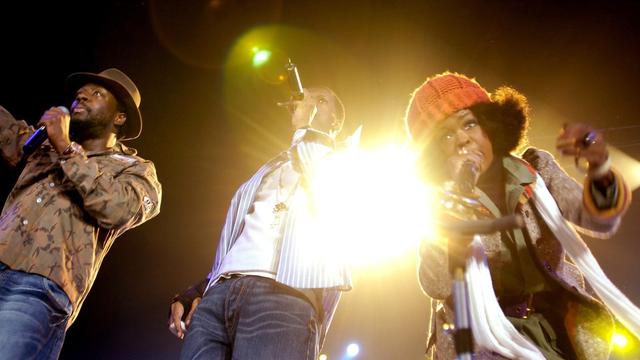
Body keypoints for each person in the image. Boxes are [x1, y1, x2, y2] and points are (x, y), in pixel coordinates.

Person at [405, 72, 634, 359]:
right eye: (446, 135)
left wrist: (599, 170)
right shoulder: (439, 204)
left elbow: (599, 219)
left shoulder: (537, 171)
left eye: (470, 124)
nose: (462, 139)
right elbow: (436, 283)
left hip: (554, 328)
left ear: (490, 125)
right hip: (485, 342)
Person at [169, 87, 352, 359]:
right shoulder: (272, 166)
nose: (310, 103)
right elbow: (248, 234)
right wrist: (198, 290)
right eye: (306, 98)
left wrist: (304, 129)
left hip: (284, 295)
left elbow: (326, 200)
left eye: (320, 100)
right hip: (219, 297)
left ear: (336, 122)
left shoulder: (345, 161)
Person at [0, 68, 162, 359]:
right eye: (79, 94)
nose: (81, 97)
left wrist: (66, 147)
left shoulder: (135, 169)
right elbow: (6, 131)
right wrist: (53, 142)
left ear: (119, 117)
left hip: (39, 290)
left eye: (96, 94)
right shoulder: (43, 144)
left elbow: (116, 209)